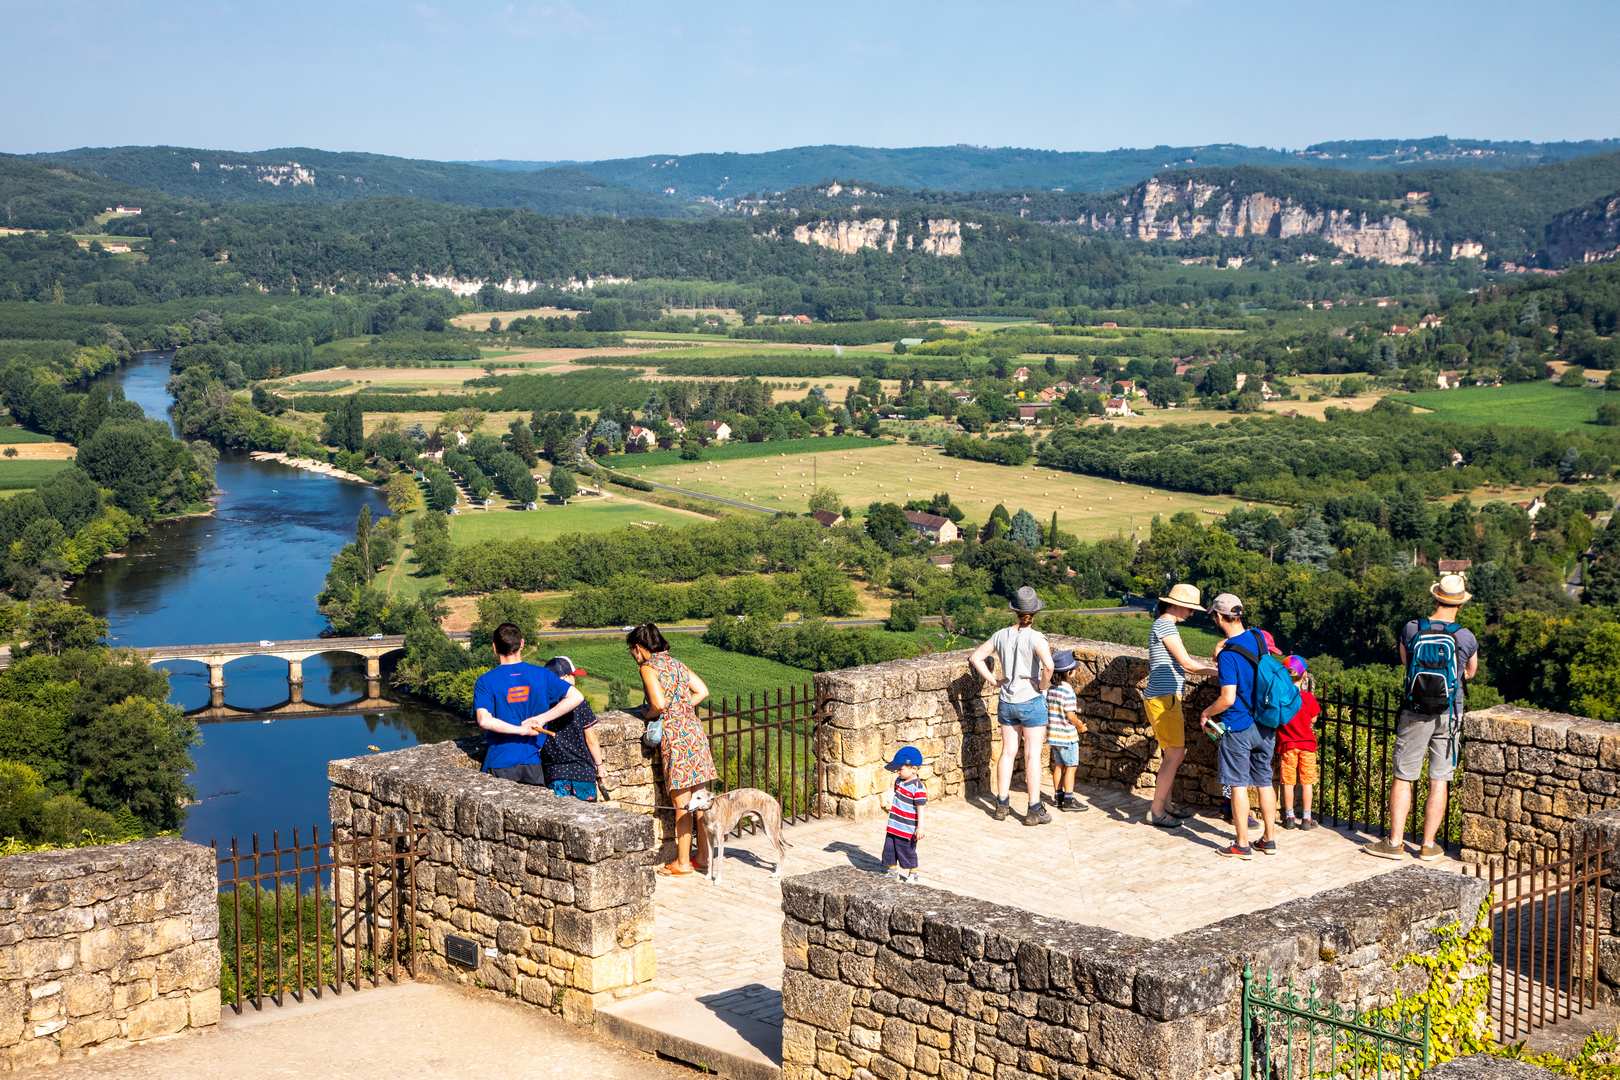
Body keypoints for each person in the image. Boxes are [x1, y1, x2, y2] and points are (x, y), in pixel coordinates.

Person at [1364, 574, 1479, 862]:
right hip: (1450, 711)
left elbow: (1406, 663)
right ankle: (1428, 845)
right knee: (1439, 779)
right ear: (1460, 604)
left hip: (1414, 711)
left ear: (1436, 597)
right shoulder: (1465, 636)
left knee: (1404, 776)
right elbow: (1470, 673)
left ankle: (1394, 842)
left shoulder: (1412, 628)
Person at [628, 623, 718, 876]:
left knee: (682, 803)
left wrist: (649, 713)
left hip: (676, 737)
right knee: (699, 798)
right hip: (694, 732)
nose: (634, 657)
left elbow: (657, 703)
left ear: (639, 648)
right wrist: (682, 707)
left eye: (632, 651)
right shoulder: (677, 664)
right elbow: (702, 690)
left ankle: (682, 862)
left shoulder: (649, 667)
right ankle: (702, 855)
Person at [1198, 593, 1279, 859]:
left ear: (1219, 616)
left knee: (1238, 785)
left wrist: (1207, 713)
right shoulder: (1257, 637)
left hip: (1238, 725)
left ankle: (1242, 843)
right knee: (1265, 780)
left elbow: (1228, 698)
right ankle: (1269, 838)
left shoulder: (1228, 657)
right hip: (1265, 723)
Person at [970, 586, 1056, 826]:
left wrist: (993, 680)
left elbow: (976, 657)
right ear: (1034, 612)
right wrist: (1042, 685)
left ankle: (1001, 803)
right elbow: (1049, 666)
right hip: (1031, 700)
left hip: (1007, 700)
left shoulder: (1000, 635)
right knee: (1032, 755)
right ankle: (1033, 808)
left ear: (1015, 611)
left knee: (1008, 752)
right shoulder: (1037, 638)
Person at [1143, 584, 1217, 829]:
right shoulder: (1165, 625)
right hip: (1164, 698)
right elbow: (1187, 663)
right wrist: (1218, 670)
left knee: (1170, 754)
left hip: (1163, 696)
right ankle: (1156, 811)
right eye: (1189, 608)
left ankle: (1166, 804)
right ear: (1176, 605)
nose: (1191, 613)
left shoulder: (1163, 624)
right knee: (1175, 754)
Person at [473, 623, 583, 785]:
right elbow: (576, 696)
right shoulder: (542, 675)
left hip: (499, 761)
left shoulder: (486, 681)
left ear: (494, 647)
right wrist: (541, 719)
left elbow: (484, 720)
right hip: (532, 762)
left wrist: (521, 730)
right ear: (522, 644)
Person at [540, 656, 605, 801]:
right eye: (572, 676)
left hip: (554, 773)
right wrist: (600, 766)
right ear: (565, 677)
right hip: (583, 772)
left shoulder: (542, 705)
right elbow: (591, 739)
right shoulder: (580, 704)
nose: (575, 680)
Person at [1277, 656, 1320, 830]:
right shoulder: (1308, 698)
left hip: (1288, 745)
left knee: (1288, 782)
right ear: (1304, 676)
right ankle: (1307, 819)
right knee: (1307, 782)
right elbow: (1314, 718)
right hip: (1307, 746)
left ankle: (1289, 816)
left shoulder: (1281, 699)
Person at [1045, 650, 1087, 813]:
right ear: (1069, 672)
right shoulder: (1068, 690)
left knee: (1058, 766)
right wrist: (1080, 726)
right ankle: (1069, 799)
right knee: (1071, 766)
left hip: (1054, 735)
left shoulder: (1052, 689)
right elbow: (1070, 715)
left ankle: (1058, 796)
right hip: (1067, 737)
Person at [879, 745, 926, 882]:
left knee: (907, 851)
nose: (898, 771)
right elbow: (898, 798)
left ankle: (913, 873)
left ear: (914, 769)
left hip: (907, 828)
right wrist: (889, 806)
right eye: (897, 769)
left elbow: (920, 809)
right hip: (894, 824)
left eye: (901, 769)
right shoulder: (899, 782)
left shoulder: (918, 788)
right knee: (889, 850)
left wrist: (920, 827)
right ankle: (892, 870)